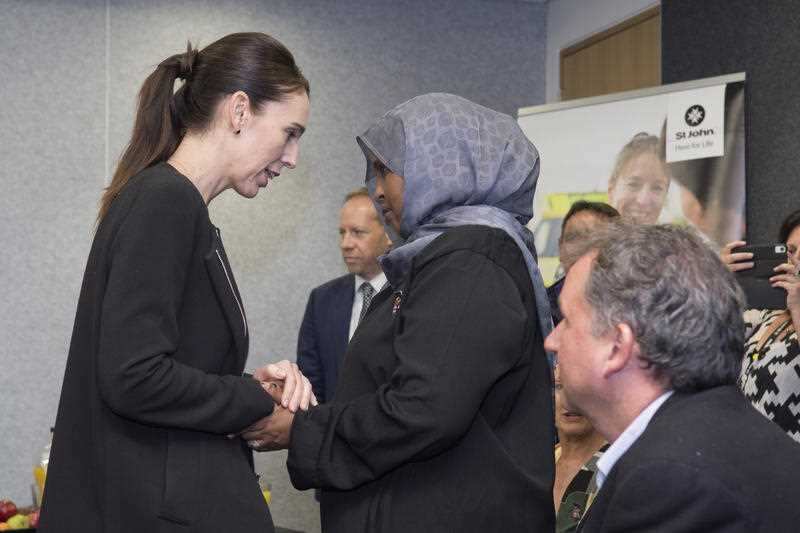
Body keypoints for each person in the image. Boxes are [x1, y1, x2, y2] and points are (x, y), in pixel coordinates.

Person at [38, 33, 315, 533]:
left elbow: (163, 365)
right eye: (290, 133)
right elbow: (133, 376)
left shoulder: (177, 205)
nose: (292, 157)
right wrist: (256, 400)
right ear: (239, 110)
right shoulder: (166, 202)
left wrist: (248, 384)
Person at [248, 93, 556, 532]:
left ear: (443, 164)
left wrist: (301, 431)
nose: (376, 190)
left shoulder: (470, 261)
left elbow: (421, 410)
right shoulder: (440, 257)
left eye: (384, 170)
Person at [546, 222, 800, 532]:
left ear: (617, 346)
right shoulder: (710, 432)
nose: (552, 341)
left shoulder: (670, 478)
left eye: (568, 321)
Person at [296, 188, 390, 403]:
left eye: (357, 232)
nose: (345, 244)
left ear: (388, 235)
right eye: (342, 232)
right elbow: (310, 384)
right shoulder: (322, 300)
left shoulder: (409, 294)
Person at [720, 209, 800, 443]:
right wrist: (715, 277)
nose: (795, 260)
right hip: (747, 457)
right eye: (791, 251)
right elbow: (697, 341)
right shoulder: (764, 314)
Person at [553, 366, 607, 533]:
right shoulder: (533, 464)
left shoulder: (616, 466)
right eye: (558, 386)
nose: (569, 400)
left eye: (581, 387)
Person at [547, 201, 619, 324]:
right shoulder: (539, 308)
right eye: (574, 237)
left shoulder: (635, 308)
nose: (582, 248)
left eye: (595, 240)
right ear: (560, 247)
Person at [607, 132, 669, 225]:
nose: (643, 201)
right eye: (633, 184)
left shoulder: (676, 239)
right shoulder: (585, 238)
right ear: (611, 190)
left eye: (657, 188)